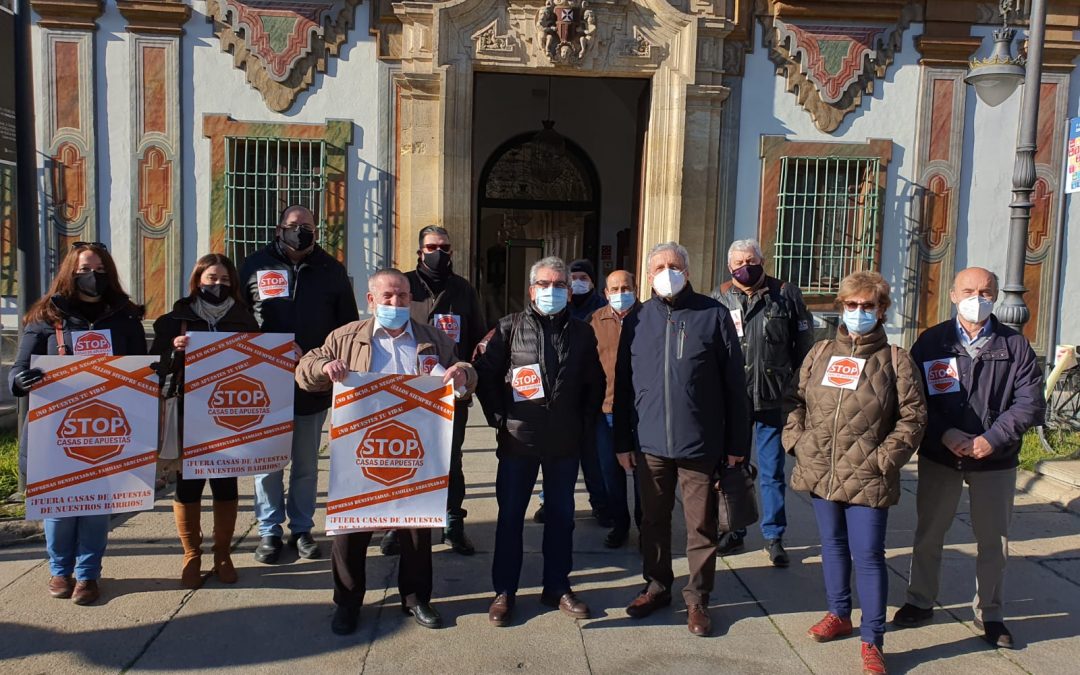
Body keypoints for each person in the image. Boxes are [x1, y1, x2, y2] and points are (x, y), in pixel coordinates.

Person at [295, 268, 475, 635]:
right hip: (360, 451)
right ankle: (347, 604)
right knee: (350, 532)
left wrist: (462, 375)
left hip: (414, 451)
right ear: (371, 301)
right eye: (388, 297)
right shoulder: (345, 338)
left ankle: (416, 598)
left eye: (403, 296)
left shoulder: (431, 338)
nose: (396, 303)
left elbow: (466, 371)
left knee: (416, 529)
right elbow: (304, 368)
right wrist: (323, 367)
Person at [892, 267, 1044, 649]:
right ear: (953, 295)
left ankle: (990, 614)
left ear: (995, 297)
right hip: (941, 456)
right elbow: (913, 398)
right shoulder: (932, 343)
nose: (979, 298)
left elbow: (1029, 402)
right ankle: (920, 600)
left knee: (994, 541)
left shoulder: (1015, 346)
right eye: (970, 290)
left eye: (986, 291)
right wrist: (944, 432)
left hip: (995, 460)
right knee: (929, 533)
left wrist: (993, 438)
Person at [783, 271, 926, 675]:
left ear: (881, 310)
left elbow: (913, 418)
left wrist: (884, 460)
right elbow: (795, 400)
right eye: (851, 304)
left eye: (867, 305)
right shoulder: (821, 351)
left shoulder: (896, 359)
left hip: (868, 474)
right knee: (831, 545)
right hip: (822, 469)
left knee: (867, 555)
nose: (858, 312)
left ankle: (872, 640)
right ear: (841, 306)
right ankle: (838, 613)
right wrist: (798, 440)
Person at [613, 242, 750, 637]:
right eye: (659, 266)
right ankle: (657, 586)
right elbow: (623, 385)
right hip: (650, 443)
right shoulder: (637, 319)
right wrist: (623, 440)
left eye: (674, 265)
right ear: (649, 273)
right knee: (652, 520)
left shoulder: (713, 315)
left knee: (700, 527)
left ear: (687, 272)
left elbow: (735, 387)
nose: (667, 272)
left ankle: (698, 599)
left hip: (700, 443)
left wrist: (737, 445)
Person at [10, 243, 147, 605]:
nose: (93, 275)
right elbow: (17, 369)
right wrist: (21, 382)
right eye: (86, 268)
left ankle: (88, 575)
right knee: (60, 506)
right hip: (57, 433)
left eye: (101, 269)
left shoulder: (125, 315)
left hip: (107, 428)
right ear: (71, 272)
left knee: (96, 506)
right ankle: (60, 570)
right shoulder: (46, 316)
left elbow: (142, 367)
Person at [474, 256, 605, 627]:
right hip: (519, 442)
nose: (553, 291)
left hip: (564, 443)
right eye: (545, 284)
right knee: (510, 518)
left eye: (560, 284)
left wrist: (582, 424)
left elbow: (594, 384)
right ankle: (504, 591)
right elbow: (486, 376)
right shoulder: (508, 328)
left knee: (562, 518)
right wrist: (500, 419)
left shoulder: (583, 332)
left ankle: (557, 586)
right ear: (532, 290)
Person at [241, 205, 359, 565]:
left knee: (306, 462)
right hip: (264, 382)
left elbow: (347, 327)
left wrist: (328, 366)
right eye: (294, 226)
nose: (301, 231)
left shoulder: (331, 270)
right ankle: (269, 530)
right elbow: (238, 317)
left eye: (307, 226)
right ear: (280, 229)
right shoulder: (254, 265)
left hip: (312, 383)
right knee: (268, 463)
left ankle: (303, 528)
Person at [151, 254, 260, 589]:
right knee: (188, 485)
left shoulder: (245, 320)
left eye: (225, 280)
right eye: (211, 278)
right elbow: (155, 368)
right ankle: (191, 555)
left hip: (229, 414)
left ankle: (223, 554)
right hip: (188, 411)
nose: (217, 285)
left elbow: (259, 364)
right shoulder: (174, 319)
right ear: (197, 279)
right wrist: (174, 349)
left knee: (225, 485)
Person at [712, 239, 814, 566]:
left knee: (771, 471)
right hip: (734, 400)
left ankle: (774, 536)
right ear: (730, 267)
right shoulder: (720, 297)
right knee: (734, 470)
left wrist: (799, 392)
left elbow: (804, 347)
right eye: (739, 262)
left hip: (772, 396)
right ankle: (735, 528)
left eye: (752, 259)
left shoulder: (785, 294)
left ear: (762, 260)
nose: (746, 266)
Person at [398, 225, 486, 556]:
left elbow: (478, 339)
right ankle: (398, 523)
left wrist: (466, 376)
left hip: (451, 392)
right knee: (406, 456)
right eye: (432, 246)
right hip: (407, 392)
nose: (439, 253)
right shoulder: (404, 286)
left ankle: (453, 522)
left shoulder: (463, 290)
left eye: (445, 247)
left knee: (451, 460)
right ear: (420, 251)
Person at [532, 258, 609, 526]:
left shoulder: (601, 310)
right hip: (555, 403)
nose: (577, 283)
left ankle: (600, 504)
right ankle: (547, 501)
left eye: (583, 278)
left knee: (593, 460)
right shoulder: (547, 311)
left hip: (587, 401)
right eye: (573, 278)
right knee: (552, 459)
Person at [589, 269, 642, 548]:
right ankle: (620, 524)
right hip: (607, 410)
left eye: (626, 287)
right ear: (606, 293)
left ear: (635, 288)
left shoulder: (649, 317)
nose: (621, 293)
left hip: (643, 411)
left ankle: (646, 527)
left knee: (645, 476)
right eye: (615, 289)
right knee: (611, 472)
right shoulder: (596, 321)